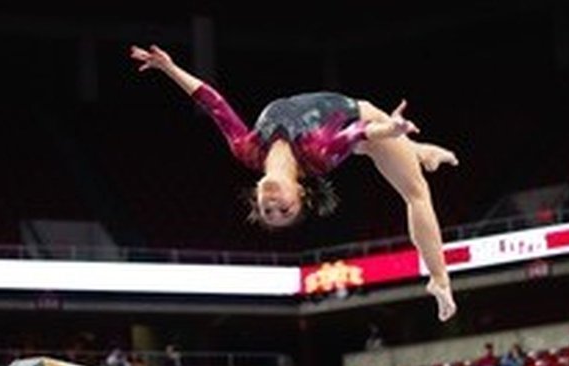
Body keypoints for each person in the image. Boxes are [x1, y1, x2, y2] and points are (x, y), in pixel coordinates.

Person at [130, 44, 460, 322]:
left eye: (267, 208)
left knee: (386, 151)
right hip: (365, 118)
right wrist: (391, 129)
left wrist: (168, 68)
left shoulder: (246, 150)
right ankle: (439, 280)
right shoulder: (318, 153)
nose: (273, 204)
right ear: (301, 193)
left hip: (359, 136)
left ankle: (419, 151)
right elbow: (358, 132)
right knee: (416, 194)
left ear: (257, 193)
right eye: (283, 209)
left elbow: (213, 102)